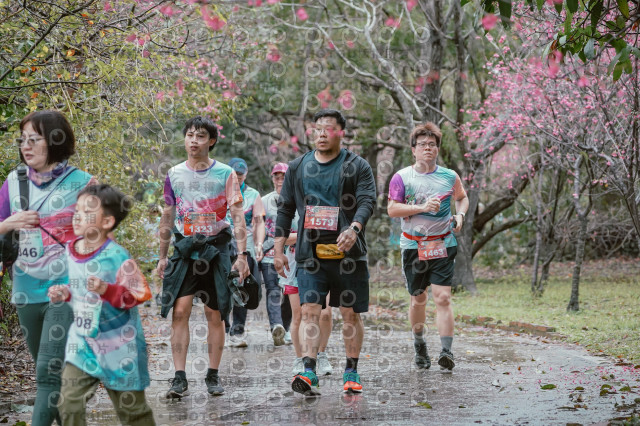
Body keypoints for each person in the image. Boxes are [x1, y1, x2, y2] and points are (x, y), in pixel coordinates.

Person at [0, 110, 95, 426]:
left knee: (47, 372)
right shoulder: (13, 182)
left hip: (66, 289)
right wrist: (10, 223)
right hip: (25, 289)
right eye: (22, 140)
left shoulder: (84, 183)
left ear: (55, 140)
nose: (26, 146)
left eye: (34, 139)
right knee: (58, 383)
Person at [274, 109, 376, 396]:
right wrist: (278, 250)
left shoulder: (357, 166)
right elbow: (285, 209)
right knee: (309, 310)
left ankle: (351, 371)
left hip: (348, 253)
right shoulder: (298, 167)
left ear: (340, 133)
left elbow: (367, 201)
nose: (321, 134)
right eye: (317, 128)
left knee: (350, 313)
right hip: (310, 253)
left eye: (328, 129)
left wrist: (354, 228)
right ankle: (309, 370)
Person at [155, 116, 249, 399]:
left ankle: (213, 374)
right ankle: (179, 377)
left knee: (215, 313)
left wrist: (242, 255)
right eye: (190, 135)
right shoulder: (173, 174)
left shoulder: (225, 174)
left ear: (211, 141)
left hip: (216, 249)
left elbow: (237, 214)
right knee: (179, 310)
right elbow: (168, 214)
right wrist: (162, 256)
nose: (193, 140)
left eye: (200, 136)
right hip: (185, 250)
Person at [48, 184, 155, 425]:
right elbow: (76, 288)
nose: (78, 216)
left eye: (87, 212)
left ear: (107, 222)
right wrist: (64, 293)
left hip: (120, 346)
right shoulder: (69, 251)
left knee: (133, 412)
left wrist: (107, 289)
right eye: (77, 210)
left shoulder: (118, 256)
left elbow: (138, 294)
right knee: (68, 402)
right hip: (83, 343)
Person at [387, 122, 469, 371]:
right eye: (422, 144)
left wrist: (460, 215)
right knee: (418, 299)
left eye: (432, 144)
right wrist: (422, 207)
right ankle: (420, 343)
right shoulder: (402, 177)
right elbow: (392, 209)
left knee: (443, 297)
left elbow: (462, 198)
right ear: (413, 150)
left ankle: (446, 351)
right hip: (413, 246)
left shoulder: (449, 176)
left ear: (437, 149)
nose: (427, 148)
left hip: (443, 243)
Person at [262, 163, 334, 375]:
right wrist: (303, 235)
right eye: (277, 176)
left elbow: (328, 229)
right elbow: (280, 236)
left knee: (325, 313)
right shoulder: (282, 204)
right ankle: (300, 358)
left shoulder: (319, 200)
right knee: (299, 314)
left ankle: (321, 355)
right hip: (293, 263)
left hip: (322, 260)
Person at [225, 157, 283, 347]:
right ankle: (223, 327)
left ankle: (238, 330)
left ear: (246, 174)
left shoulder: (253, 194)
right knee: (222, 288)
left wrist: (258, 244)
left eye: (241, 174)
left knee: (242, 286)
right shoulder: (220, 191)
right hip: (222, 245)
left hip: (246, 247)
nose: (238, 177)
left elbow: (259, 222)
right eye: (235, 174)